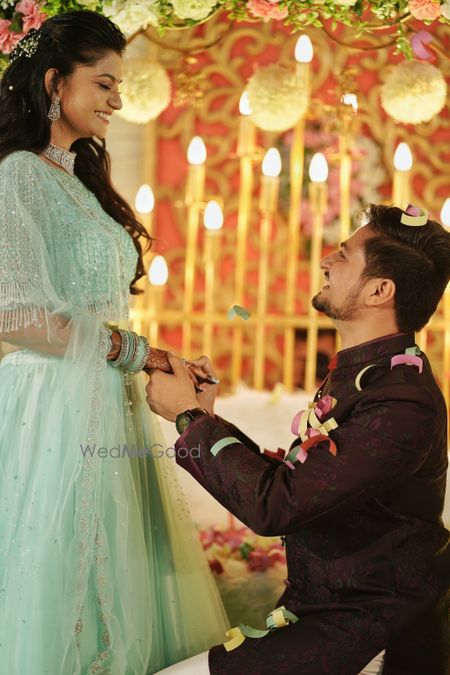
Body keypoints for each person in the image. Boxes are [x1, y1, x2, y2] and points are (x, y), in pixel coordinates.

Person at [0, 11, 229, 674]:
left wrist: (162, 361)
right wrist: (142, 355)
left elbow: (95, 311)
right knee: (60, 576)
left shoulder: (75, 177)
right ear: (54, 83)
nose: (117, 101)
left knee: (117, 574)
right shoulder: (18, 175)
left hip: (104, 396)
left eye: (118, 86)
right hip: (52, 408)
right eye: (103, 84)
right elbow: (17, 315)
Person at [147, 203, 450, 675]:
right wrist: (205, 416)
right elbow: (299, 483)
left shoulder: (401, 400)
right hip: (324, 615)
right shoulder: (369, 375)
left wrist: (188, 417)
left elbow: (279, 506)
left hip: (372, 631)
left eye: (343, 255)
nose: (325, 261)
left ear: (379, 290)